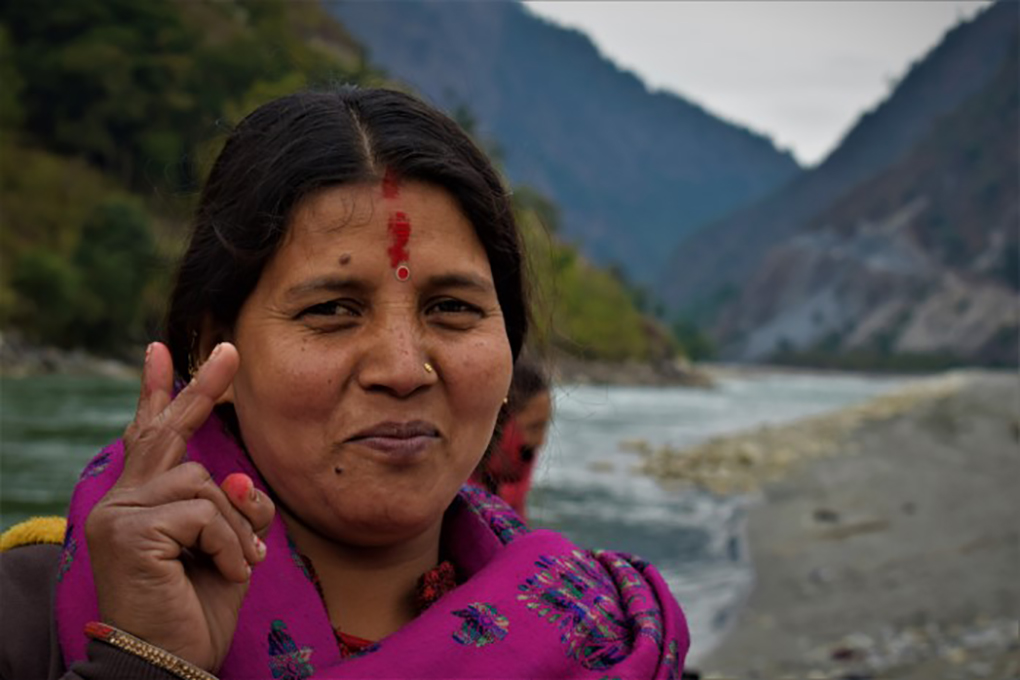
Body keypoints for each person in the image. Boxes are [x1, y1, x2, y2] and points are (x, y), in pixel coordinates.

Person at [0, 87, 688, 679]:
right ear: (215, 351)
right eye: (332, 310)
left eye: (452, 309)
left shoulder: (607, 639)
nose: (400, 369)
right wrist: (142, 661)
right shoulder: (30, 616)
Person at [473, 359, 552, 522]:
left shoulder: (510, 490)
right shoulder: (446, 503)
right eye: (534, 427)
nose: (541, 441)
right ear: (496, 423)